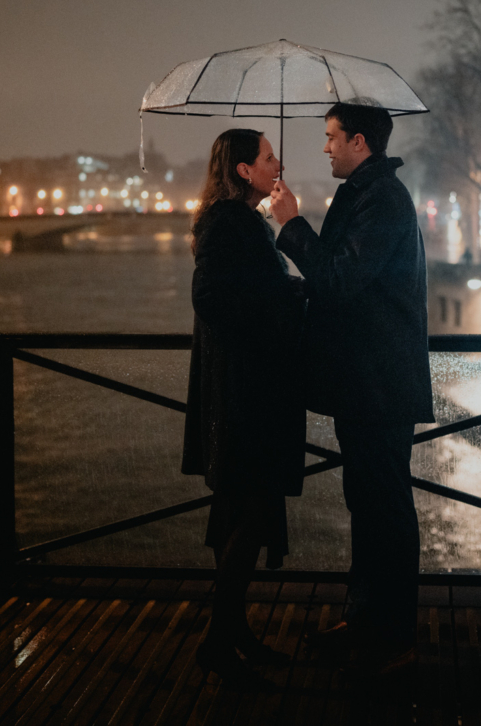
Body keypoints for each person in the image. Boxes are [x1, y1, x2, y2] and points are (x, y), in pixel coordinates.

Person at [268, 102, 433, 675]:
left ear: (359, 141)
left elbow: (340, 278)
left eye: (331, 137)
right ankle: (365, 619)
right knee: (368, 505)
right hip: (367, 380)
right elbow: (339, 277)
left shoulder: (382, 200)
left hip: (379, 383)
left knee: (384, 507)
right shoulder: (365, 194)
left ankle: (393, 635)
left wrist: (289, 225)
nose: (325, 147)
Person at [182, 127, 306, 689]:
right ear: (242, 170)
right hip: (246, 396)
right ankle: (217, 641)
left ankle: (234, 633)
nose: (278, 163)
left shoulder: (237, 221)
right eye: (268, 157)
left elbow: (242, 289)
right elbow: (211, 298)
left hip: (244, 391)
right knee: (250, 517)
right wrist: (285, 296)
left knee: (240, 517)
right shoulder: (230, 224)